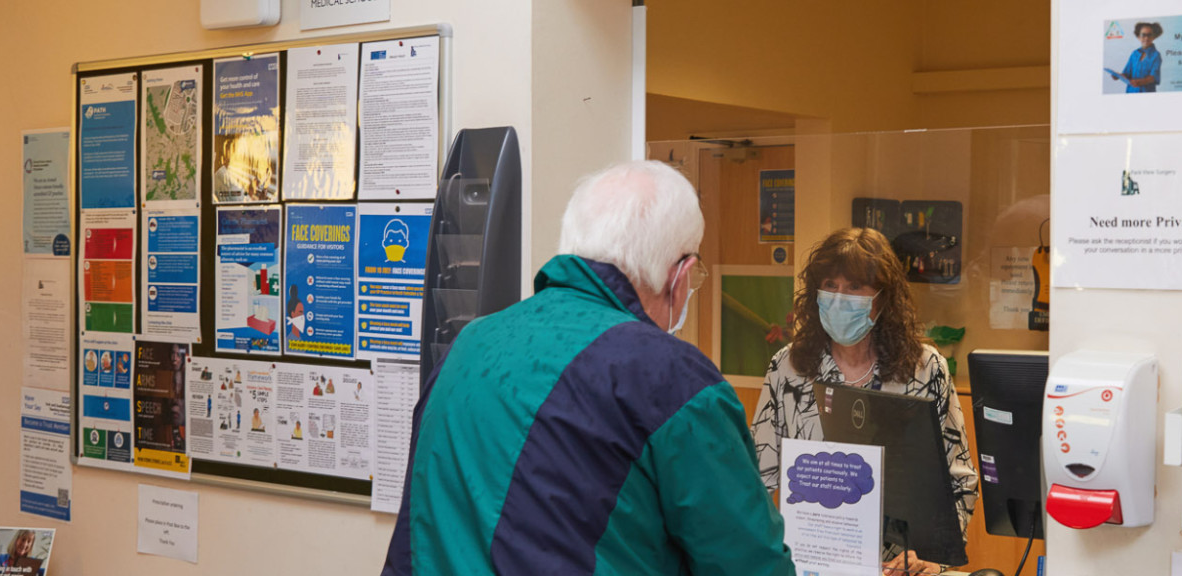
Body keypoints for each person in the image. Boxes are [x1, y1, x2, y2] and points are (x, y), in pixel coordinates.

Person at [382, 161, 795, 576]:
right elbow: (749, 562)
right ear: (681, 277)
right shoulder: (672, 379)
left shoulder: (469, 345)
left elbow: (413, 534)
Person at [751, 228, 978, 576]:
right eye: (830, 285)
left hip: (898, 569)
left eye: (855, 287)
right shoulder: (789, 367)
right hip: (810, 564)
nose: (840, 297)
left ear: (883, 298)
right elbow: (759, 478)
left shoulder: (924, 367)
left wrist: (933, 557)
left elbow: (959, 478)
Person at [1117, 21, 1164, 93]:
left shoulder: (1156, 55)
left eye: (1149, 35)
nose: (1146, 38)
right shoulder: (1134, 54)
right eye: (1143, 35)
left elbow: (1153, 77)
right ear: (1138, 37)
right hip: (1131, 91)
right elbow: (1127, 73)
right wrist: (1118, 76)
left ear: (1153, 37)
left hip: (1147, 92)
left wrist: (1140, 82)